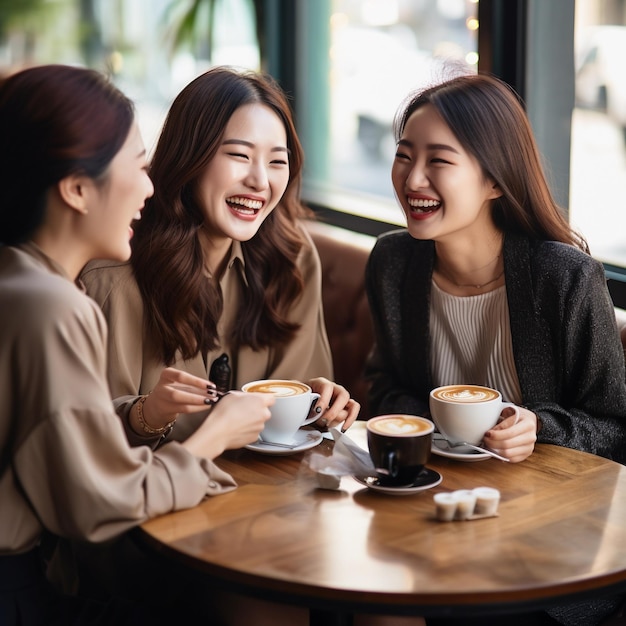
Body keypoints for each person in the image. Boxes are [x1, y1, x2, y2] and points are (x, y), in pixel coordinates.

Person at [0, 63, 280, 625]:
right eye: (138, 165)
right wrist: (211, 438)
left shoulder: (19, 279)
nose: (150, 187)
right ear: (78, 188)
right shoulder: (52, 306)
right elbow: (98, 504)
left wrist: (145, 413)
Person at [364, 73, 626, 625]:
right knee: (371, 598)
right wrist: (434, 427)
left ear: (494, 181)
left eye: (439, 160)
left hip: (544, 544)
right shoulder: (393, 264)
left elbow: (616, 427)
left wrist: (539, 429)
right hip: (428, 515)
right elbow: (384, 386)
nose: (413, 178)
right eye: (404, 156)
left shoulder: (565, 279)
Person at [80, 66, 359, 442]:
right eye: (239, 155)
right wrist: (147, 415)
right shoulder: (117, 275)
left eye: (277, 161)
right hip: (160, 490)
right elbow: (90, 440)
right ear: (189, 158)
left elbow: (293, 410)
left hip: (268, 488)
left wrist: (317, 402)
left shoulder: (292, 257)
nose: (260, 181)